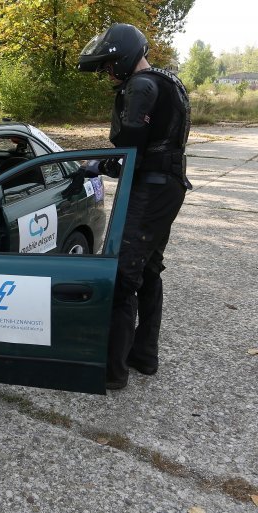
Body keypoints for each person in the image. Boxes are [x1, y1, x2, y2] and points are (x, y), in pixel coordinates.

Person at [77, 23, 192, 390]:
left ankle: (111, 371)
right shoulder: (165, 80)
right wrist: (110, 164)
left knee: (123, 275)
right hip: (167, 185)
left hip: (152, 189)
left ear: (125, 55)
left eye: (110, 66)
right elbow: (147, 147)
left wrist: (103, 164)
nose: (108, 74)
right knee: (150, 268)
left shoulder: (141, 85)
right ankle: (144, 355)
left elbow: (132, 147)